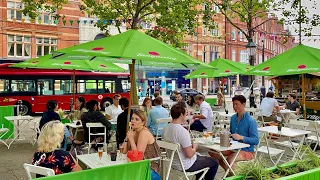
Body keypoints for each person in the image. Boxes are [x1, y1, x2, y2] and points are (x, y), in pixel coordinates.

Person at [162, 104, 219, 180]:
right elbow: (189, 154)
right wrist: (195, 147)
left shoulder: (165, 128)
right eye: (186, 113)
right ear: (182, 115)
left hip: (172, 163)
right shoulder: (182, 131)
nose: (186, 116)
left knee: (202, 159)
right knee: (214, 162)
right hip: (186, 165)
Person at [209, 95, 258, 173]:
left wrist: (241, 137)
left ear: (244, 104)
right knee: (213, 152)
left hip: (247, 150)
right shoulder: (233, 118)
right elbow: (232, 134)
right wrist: (224, 134)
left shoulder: (250, 120)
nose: (234, 106)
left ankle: (232, 175)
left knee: (230, 158)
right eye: (233, 104)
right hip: (233, 147)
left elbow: (255, 140)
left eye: (236, 104)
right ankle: (230, 174)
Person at [122, 110, 161, 180]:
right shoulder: (133, 131)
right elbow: (123, 151)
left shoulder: (144, 133)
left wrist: (131, 139)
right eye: (132, 119)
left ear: (143, 122)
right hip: (138, 166)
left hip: (149, 169)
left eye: (137, 119)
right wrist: (127, 138)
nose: (133, 121)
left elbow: (137, 158)